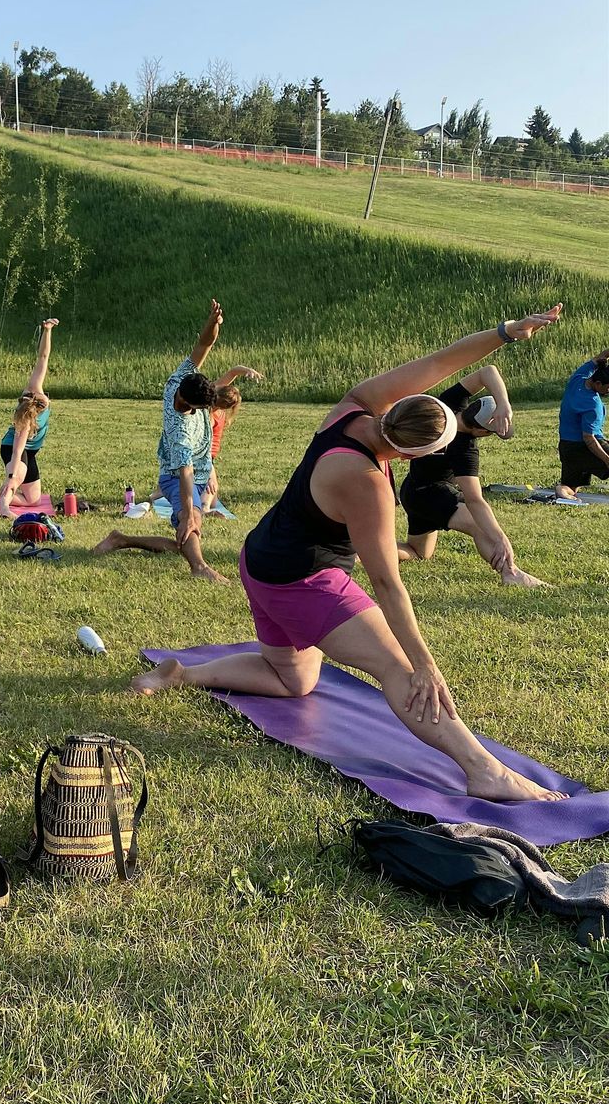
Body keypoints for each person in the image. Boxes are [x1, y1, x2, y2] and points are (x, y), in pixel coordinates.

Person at [131, 306, 569, 804]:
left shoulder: (354, 408)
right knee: (400, 670)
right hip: (302, 580)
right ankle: (484, 770)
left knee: (293, 680)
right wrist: (423, 661)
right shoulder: (366, 486)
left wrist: (507, 333)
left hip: (261, 561)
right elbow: (387, 584)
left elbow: (439, 362)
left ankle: (181, 672)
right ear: (415, 456)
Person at [94, 301, 229, 582]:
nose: (184, 406)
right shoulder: (178, 421)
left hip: (199, 472)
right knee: (190, 522)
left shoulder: (184, 385)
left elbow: (204, 345)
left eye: (191, 406)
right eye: (187, 403)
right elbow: (184, 473)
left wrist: (213, 322)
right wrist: (189, 513)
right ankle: (200, 569)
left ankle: (121, 539)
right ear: (181, 393)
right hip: (175, 475)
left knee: (185, 538)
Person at [397, 364, 546, 588]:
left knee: (419, 552)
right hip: (433, 495)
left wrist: (502, 403)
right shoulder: (465, 449)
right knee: (479, 526)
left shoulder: (449, 404)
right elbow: (475, 500)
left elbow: (488, 371)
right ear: (481, 431)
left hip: (412, 490)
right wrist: (500, 538)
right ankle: (511, 573)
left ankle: (358, 551)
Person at [0, 319, 59, 518]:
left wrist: (47, 331)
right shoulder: (25, 422)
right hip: (13, 448)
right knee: (15, 477)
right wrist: (13, 476)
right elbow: (17, 450)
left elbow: (43, 356)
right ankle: (3, 508)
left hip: (30, 451)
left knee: (33, 500)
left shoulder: (33, 392)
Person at [556, 350, 609, 499]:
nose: (608, 390)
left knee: (570, 488)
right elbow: (589, 439)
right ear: (598, 384)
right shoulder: (592, 405)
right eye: (608, 387)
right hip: (584, 446)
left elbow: (600, 357)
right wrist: (606, 460)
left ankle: (561, 491)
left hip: (567, 448)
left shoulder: (578, 379)